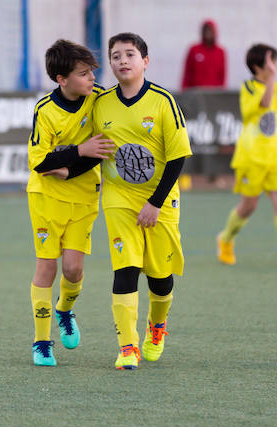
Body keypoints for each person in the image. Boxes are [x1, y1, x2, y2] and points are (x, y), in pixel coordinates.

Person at [92, 32, 192, 370]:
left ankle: (157, 326)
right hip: (119, 198)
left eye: (129, 55)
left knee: (160, 277)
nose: (122, 61)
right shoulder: (101, 103)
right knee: (126, 270)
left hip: (159, 201)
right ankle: (127, 347)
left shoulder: (164, 101)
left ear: (144, 61)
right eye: (116, 56)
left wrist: (155, 203)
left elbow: (178, 158)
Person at [26, 39, 113, 366]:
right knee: (47, 265)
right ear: (62, 79)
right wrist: (78, 150)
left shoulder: (100, 98)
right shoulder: (45, 111)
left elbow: (102, 147)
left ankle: (64, 309)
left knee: (74, 269)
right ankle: (41, 341)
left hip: (85, 195)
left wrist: (71, 165)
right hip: (46, 198)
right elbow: (39, 162)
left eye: (91, 70)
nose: (91, 77)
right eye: (82, 73)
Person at [215, 43, 277, 267]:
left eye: (275, 62)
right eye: (271, 63)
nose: (275, 67)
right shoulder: (249, 87)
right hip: (252, 158)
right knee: (249, 206)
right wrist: (272, 78)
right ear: (258, 67)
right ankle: (226, 239)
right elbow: (265, 103)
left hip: (276, 156)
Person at [180, 19, 226, 91]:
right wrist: (184, 90)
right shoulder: (194, 50)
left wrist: (221, 93)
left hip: (213, 93)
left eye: (210, 30)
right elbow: (187, 73)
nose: (208, 33)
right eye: (205, 30)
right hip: (195, 93)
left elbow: (222, 75)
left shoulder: (220, 52)